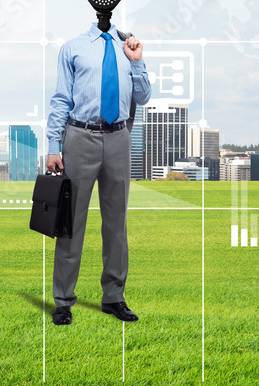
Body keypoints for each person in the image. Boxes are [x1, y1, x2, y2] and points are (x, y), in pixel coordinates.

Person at [45, 22, 151, 326]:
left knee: (117, 224)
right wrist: (55, 145)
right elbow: (61, 99)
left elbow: (143, 97)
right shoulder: (73, 48)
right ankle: (63, 301)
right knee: (70, 223)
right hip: (80, 137)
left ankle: (114, 297)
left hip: (119, 137)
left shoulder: (128, 47)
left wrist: (138, 61)